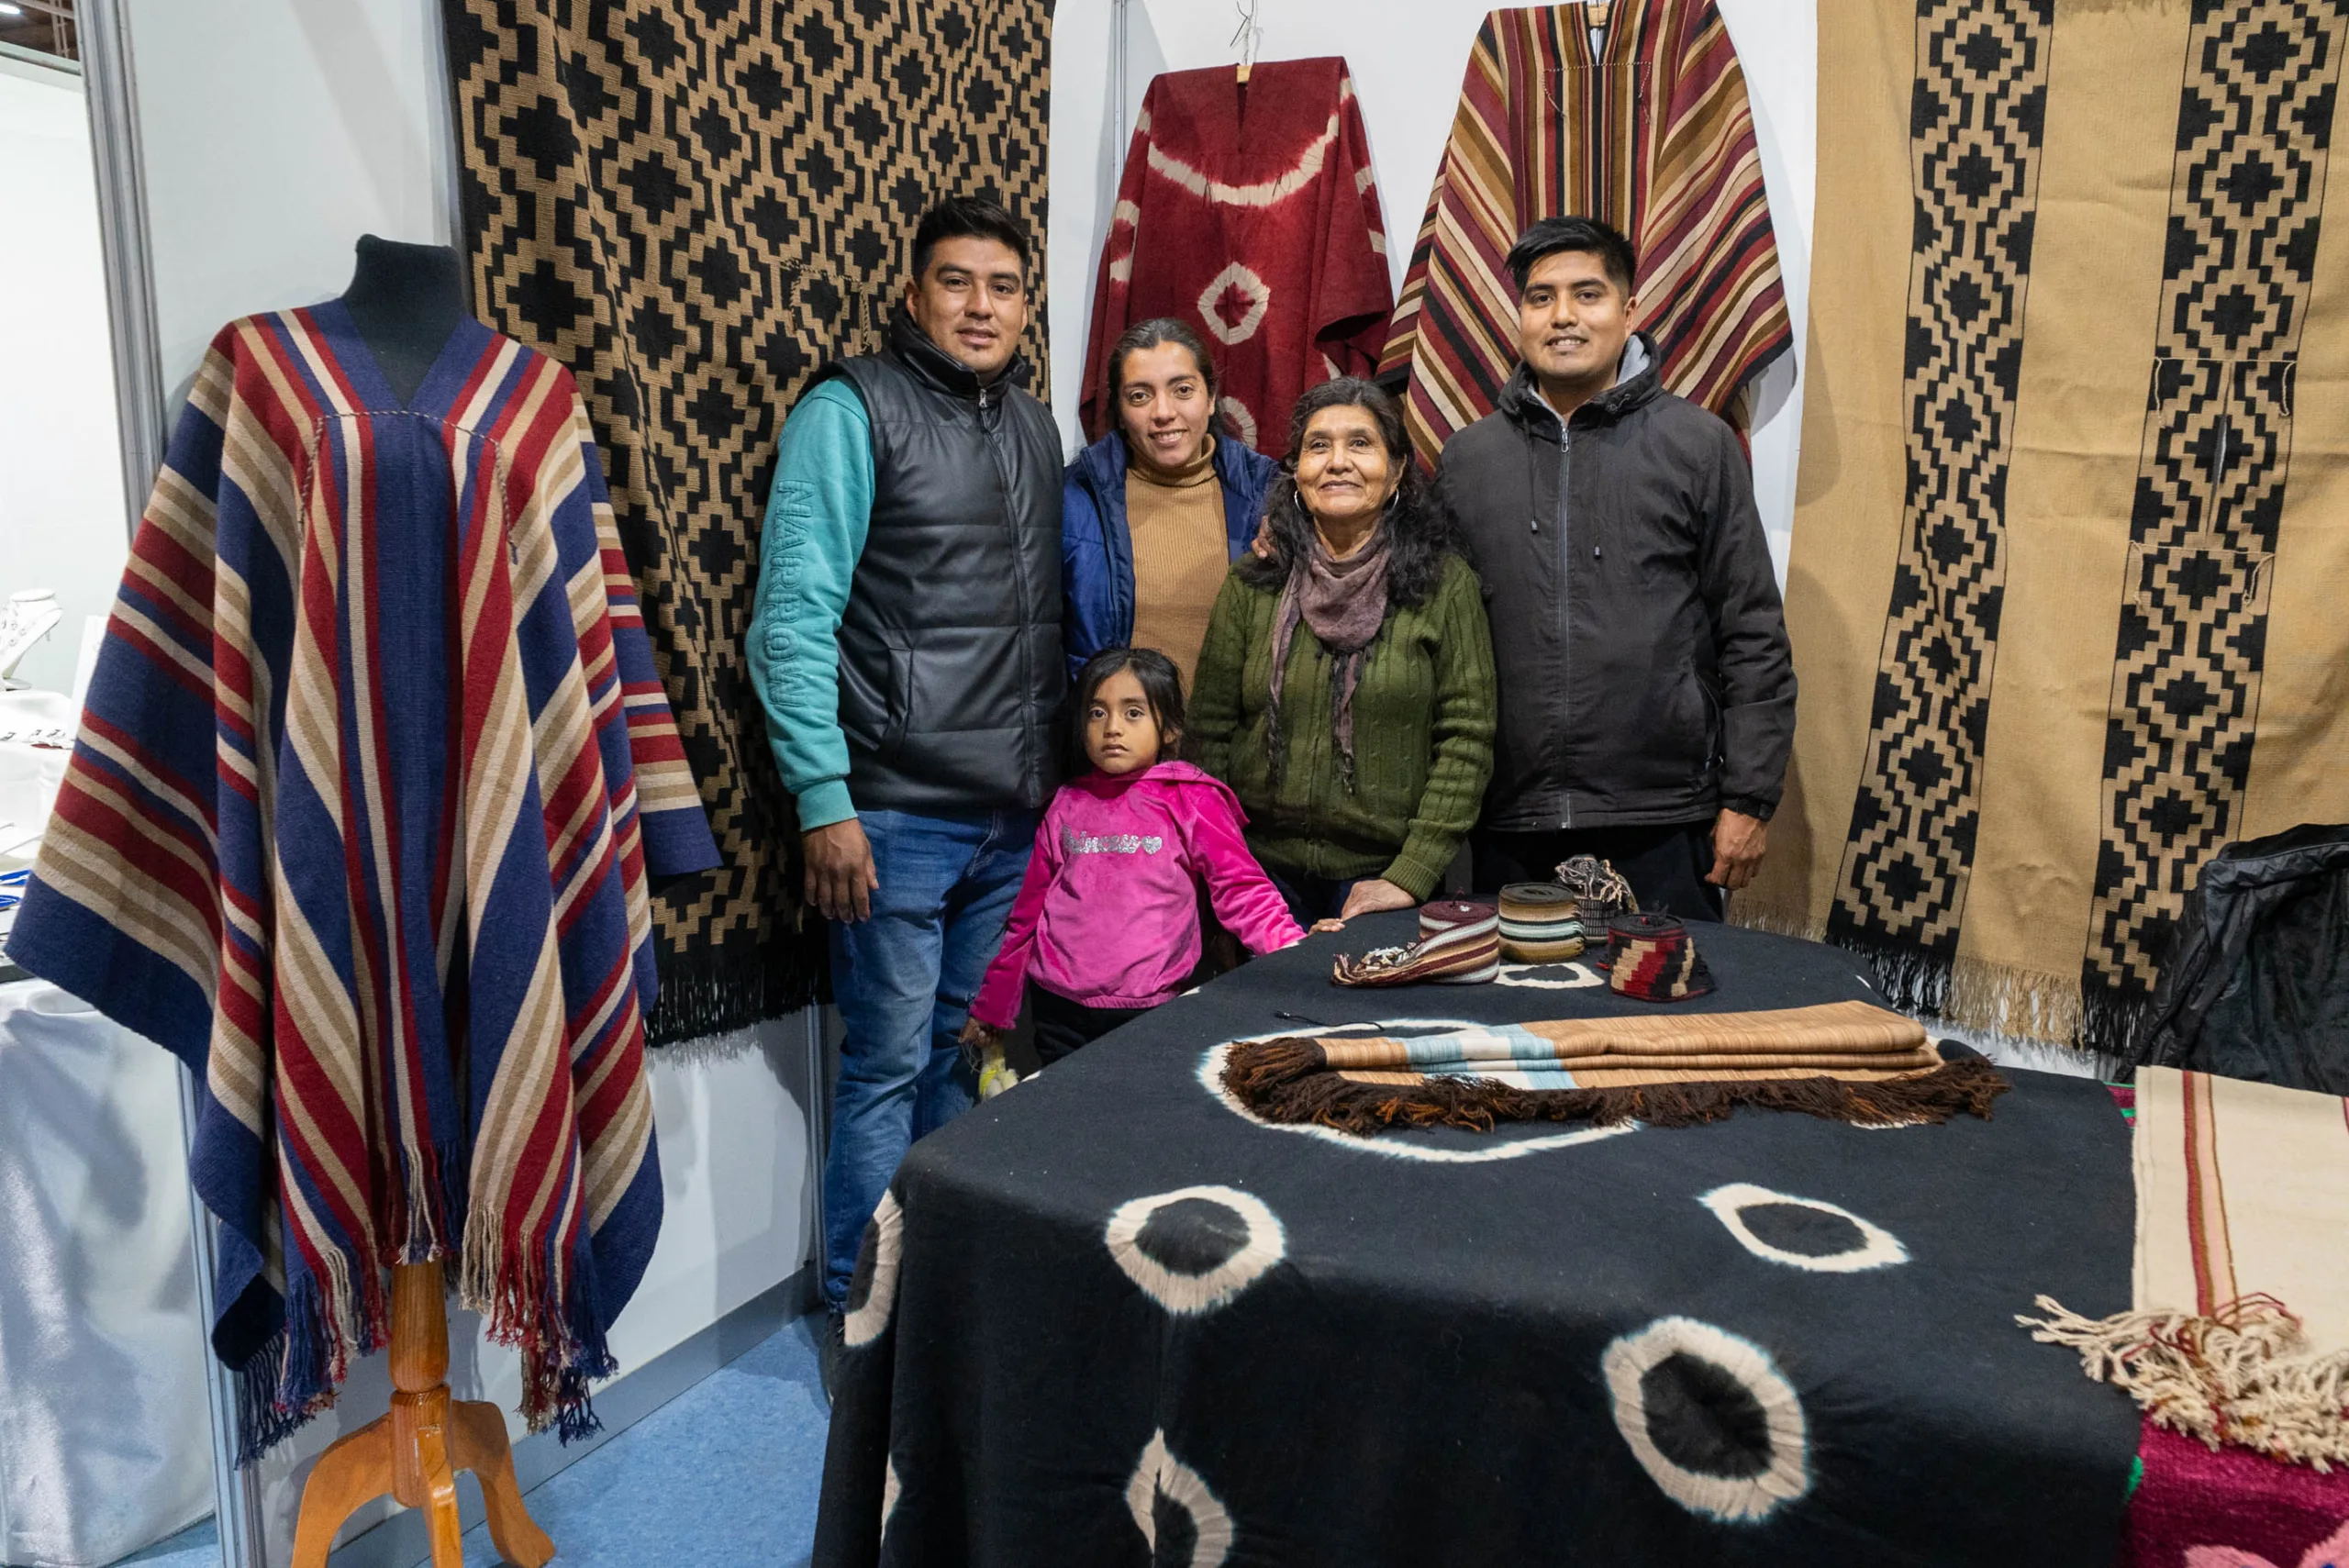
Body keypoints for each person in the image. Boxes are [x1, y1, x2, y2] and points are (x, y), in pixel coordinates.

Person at [745, 196, 1063, 1388]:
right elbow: (791, 616)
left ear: (1026, 304)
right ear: (914, 293)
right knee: (882, 1066)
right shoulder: (849, 409)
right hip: (892, 815)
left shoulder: (1036, 427)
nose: (981, 306)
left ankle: (944, 1293)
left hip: (1007, 813)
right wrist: (822, 798)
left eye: (1003, 286)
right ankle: (860, 1317)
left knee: (963, 1058)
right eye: (956, 282)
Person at [1435, 216, 1795, 920]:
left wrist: (1748, 798)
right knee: (1522, 1026)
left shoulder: (1698, 445)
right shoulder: (1468, 460)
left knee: (1664, 1025)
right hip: (1506, 822)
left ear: (1629, 311)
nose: (1562, 316)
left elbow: (1752, 631)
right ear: (1519, 315)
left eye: (1587, 294)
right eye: (1540, 298)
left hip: (1663, 819)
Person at [1189, 379, 1497, 928]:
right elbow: (1209, 736)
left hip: (1388, 880)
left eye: (1360, 444)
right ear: (1297, 472)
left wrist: (1409, 875)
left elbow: (1466, 741)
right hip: (1259, 880)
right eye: (1318, 446)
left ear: (1398, 468)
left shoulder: (1444, 586)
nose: (1337, 463)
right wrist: (1229, 868)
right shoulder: (1253, 581)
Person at [960, 647, 1305, 1072]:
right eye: (1098, 713)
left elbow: (1242, 890)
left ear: (1171, 727)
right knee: (1066, 1122)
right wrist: (995, 1005)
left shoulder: (1191, 798)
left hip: (1151, 1010)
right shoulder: (1067, 802)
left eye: (1134, 713)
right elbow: (1026, 917)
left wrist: (1295, 950)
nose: (1112, 729)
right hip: (1058, 1010)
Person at [1063, 318, 1279, 686]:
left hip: (1239, 741)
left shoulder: (1271, 495)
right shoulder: (1073, 501)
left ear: (1210, 398)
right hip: (1117, 740)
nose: (1163, 412)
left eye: (1182, 390)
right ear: (1119, 408)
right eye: (1140, 395)